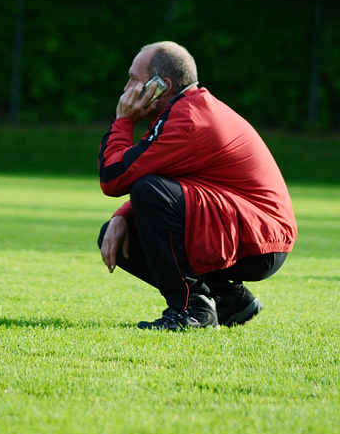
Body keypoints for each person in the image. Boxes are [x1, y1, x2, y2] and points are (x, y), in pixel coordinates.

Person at [98, 41, 297, 330]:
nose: (127, 88)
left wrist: (123, 121)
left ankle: (193, 310)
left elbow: (113, 177)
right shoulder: (189, 110)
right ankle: (229, 300)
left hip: (260, 241)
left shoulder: (187, 119)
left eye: (134, 79)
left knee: (147, 192)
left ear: (160, 85)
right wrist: (123, 215)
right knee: (117, 235)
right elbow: (159, 180)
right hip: (255, 233)